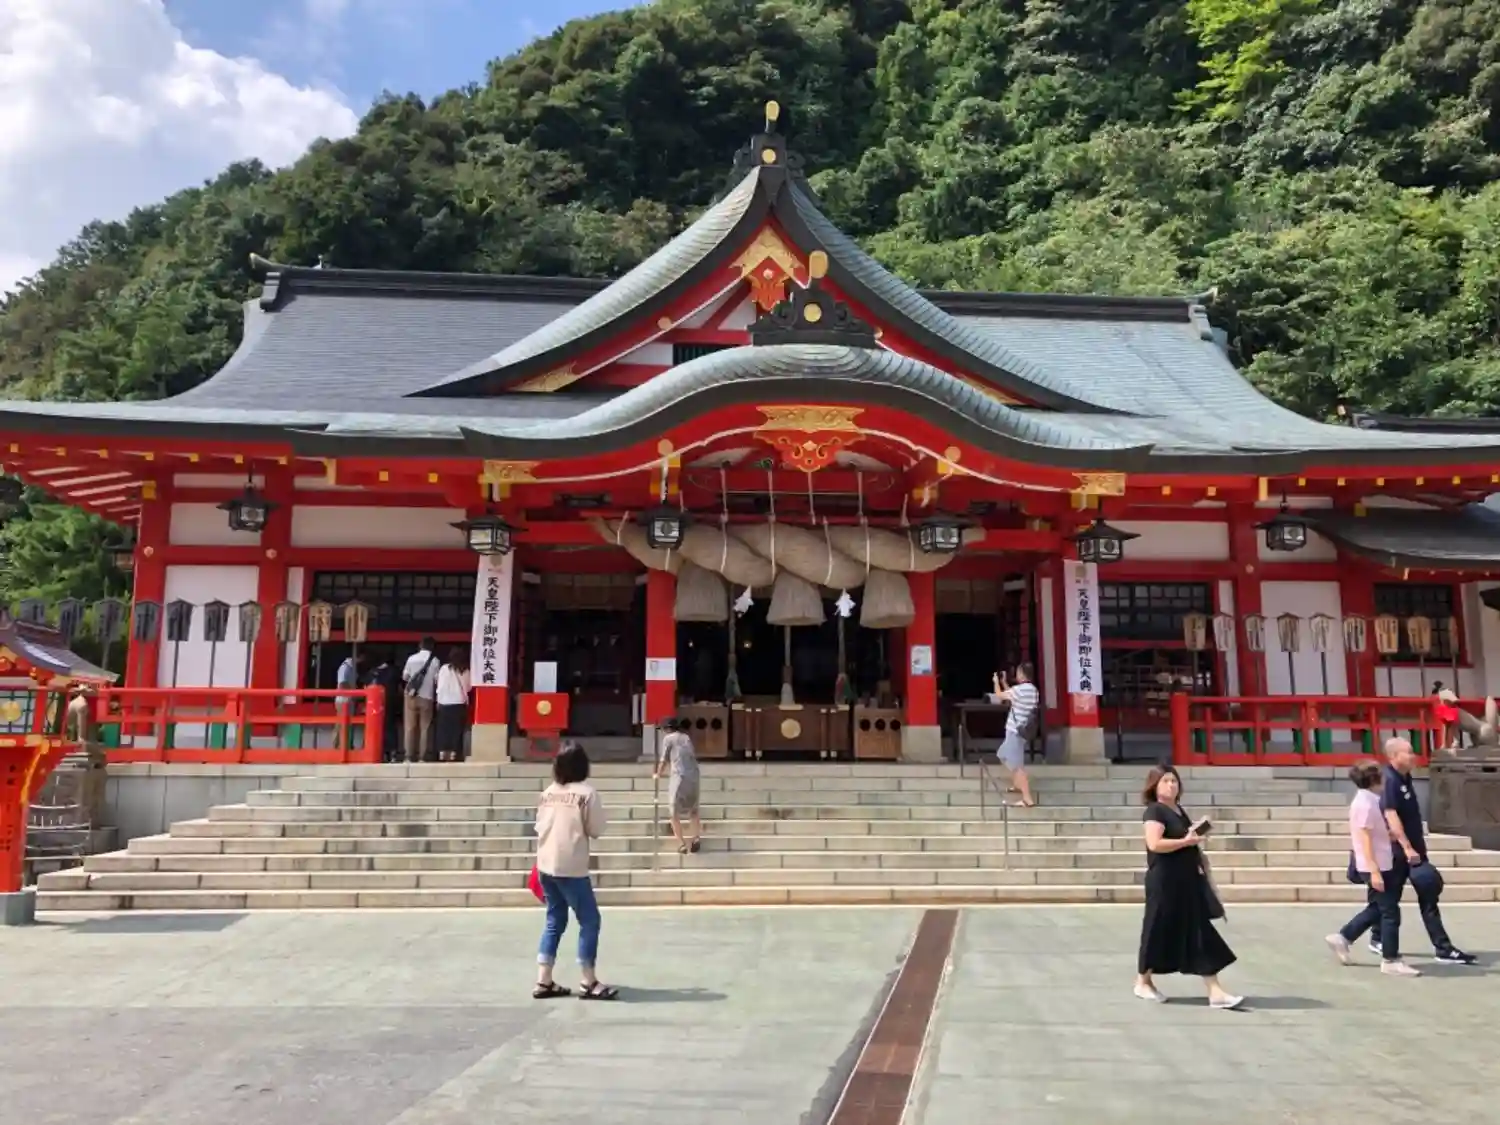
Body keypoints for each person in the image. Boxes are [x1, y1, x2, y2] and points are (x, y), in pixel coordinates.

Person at [1135, 765, 1243, 1009]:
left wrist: (1193, 840)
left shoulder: (1178, 810)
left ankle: (1215, 991)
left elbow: (1185, 841)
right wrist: (1185, 841)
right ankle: (1143, 981)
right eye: (1165, 781)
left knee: (1198, 930)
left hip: (1186, 880)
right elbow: (1154, 844)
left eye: (1174, 781)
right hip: (1164, 882)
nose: (1171, 785)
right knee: (1157, 929)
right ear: (1154, 786)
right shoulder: (1155, 811)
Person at [1370, 737, 1476, 965]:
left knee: (1427, 893)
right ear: (1394, 756)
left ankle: (1442, 948)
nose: (1413, 756)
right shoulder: (1389, 780)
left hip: (1414, 849)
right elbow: (1390, 814)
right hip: (1398, 852)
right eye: (1408, 752)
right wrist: (1407, 847)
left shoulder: (1405, 777)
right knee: (1388, 899)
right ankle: (1367, 936)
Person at [533, 741, 616, 1000]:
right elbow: (596, 829)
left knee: (554, 919)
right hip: (571, 866)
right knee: (589, 920)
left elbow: (539, 825)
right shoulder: (586, 794)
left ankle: (544, 979)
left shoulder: (548, 792)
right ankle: (588, 980)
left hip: (545, 864)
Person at [1326, 761, 1420, 976]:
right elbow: (1365, 839)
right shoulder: (1365, 804)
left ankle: (1344, 937)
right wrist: (1374, 871)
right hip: (1375, 864)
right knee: (1390, 912)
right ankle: (1390, 959)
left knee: (1378, 907)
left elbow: (1372, 834)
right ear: (1374, 779)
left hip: (1380, 861)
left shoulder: (1370, 800)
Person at [990, 663, 1039, 808]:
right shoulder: (1033, 690)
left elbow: (1000, 695)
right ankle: (1017, 784)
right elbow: (1012, 696)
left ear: (1022, 674)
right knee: (1003, 755)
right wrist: (1004, 682)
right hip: (1022, 730)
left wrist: (996, 682)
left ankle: (1027, 798)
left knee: (1017, 765)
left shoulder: (1019, 690)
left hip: (1015, 732)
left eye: (1018, 672)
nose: (1016, 675)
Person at [655, 716, 702, 854]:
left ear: (666, 729)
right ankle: (696, 837)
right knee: (693, 811)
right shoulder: (686, 737)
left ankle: (681, 843)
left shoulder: (668, 739)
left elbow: (664, 759)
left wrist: (657, 774)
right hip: (694, 777)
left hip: (679, 777)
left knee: (673, 812)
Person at [401, 636, 440, 763]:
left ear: (420, 645)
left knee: (409, 726)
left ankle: (408, 756)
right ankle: (422, 757)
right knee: (425, 727)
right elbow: (437, 680)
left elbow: (405, 677)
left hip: (411, 696)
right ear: (432, 647)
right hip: (427, 697)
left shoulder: (411, 658)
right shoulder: (435, 661)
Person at [434, 647, 471, 763]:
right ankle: (454, 753)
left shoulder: (444, 668)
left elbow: (439, 686)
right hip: (459, 703)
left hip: (444, 702)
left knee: (443, 729)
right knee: (456, 730)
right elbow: (468, 688)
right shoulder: (465, 670)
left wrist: (438, 700)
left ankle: (442, 752)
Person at [335, 650, 364, 751]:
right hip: (343, 700)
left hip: (350, 699)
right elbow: (342, 684)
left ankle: (345, 747)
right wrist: (354, 691)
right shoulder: (345, 667)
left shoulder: (353, 668)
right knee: (341, 725)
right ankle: (338, 748)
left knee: (347, 725)